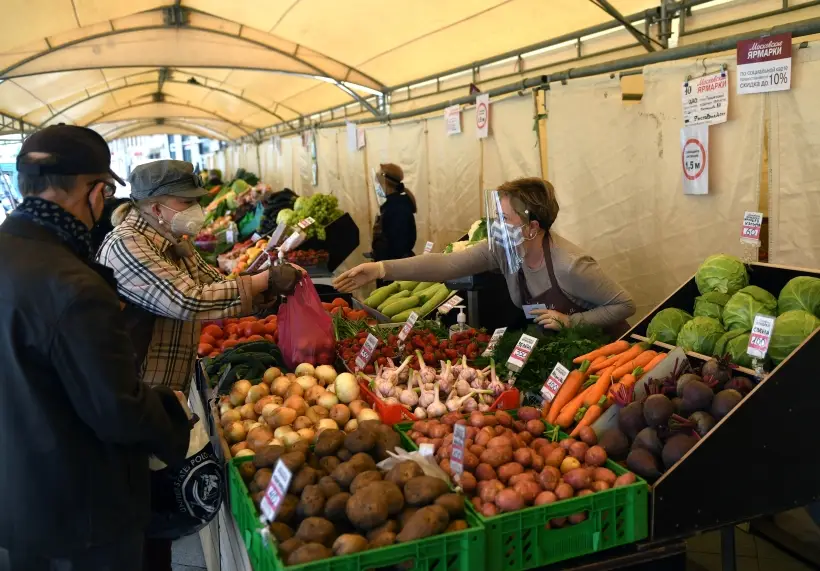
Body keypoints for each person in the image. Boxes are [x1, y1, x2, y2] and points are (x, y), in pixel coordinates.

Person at [0, 125, 191, 570]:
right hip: (85, 511)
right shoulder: (74, 284)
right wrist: (173, 414)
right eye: (104, 191)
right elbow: (117, 409)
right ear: (91, 190)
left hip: (20, 498)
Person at [335, 177, 635, 335]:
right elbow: (445, 263)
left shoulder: (571, 265)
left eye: (505, 219)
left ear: (532, 227)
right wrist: (380, 269)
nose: (496, 225)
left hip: (600, 351)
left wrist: (573, 322)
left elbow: (624, 305)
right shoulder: (503, 249)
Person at [371, 163, 417, 262]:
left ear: (385, 183)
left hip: (394, 270)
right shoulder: (395, 204)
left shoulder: (396, 209)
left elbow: (397, 247)